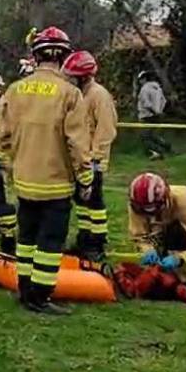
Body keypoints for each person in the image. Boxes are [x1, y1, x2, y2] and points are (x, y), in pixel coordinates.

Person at [0, 26, 93, 315]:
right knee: (50, 244)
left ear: (36, 57)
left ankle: (25, 290)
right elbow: (77, 141)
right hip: (56, 184)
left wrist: (4, 162)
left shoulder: (15, 90)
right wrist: (86, 178)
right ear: (63, 57)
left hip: (25, 181)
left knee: (25, 240)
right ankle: (40, 297)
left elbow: (2, 135)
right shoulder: (70, 93)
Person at [62, 50, 117, 261]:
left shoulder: (99, 95)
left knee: (94, 203)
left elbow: (106, 130)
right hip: (79, 160)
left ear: (83, 76)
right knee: (81, 203)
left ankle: (97, 242)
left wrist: (95, 158)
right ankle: (84, 239)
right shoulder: (78, 94)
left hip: (93, 161)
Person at [137, 71, 172, 160]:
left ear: (144, 79)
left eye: (140, 79)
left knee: (145, 137)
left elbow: (146, 103)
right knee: (153, 135)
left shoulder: (144, 89)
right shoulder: (158, 88)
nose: (139, 82)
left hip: (147, 115)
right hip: (157, 115)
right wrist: (160, 111)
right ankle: (167, 147)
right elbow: (164, 101)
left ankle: (157, 152)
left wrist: (153, 111)